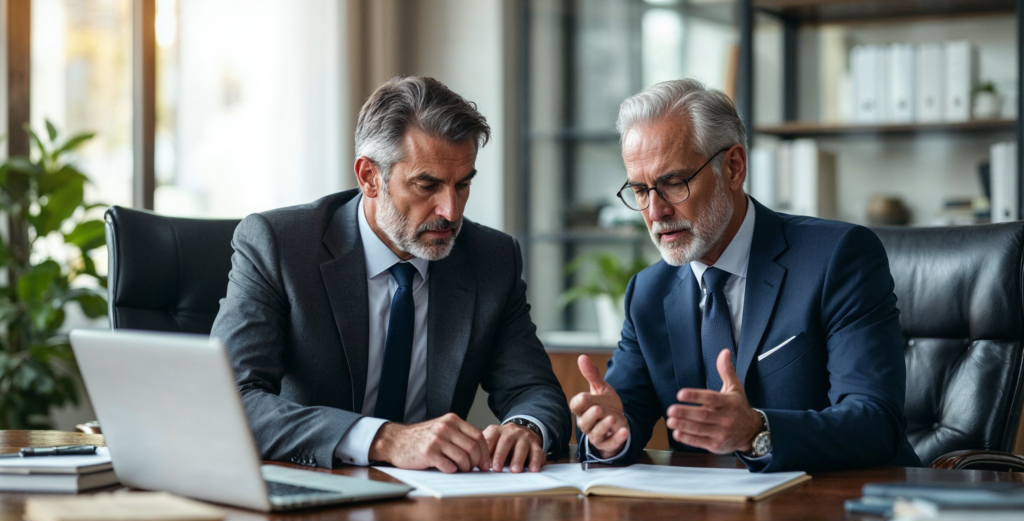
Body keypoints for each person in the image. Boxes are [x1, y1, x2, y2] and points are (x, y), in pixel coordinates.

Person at [211, 76, 571, 474]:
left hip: (439, 504)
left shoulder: (491, 259)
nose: (451, 211)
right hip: (312, 488)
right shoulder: (279, 246)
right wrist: (384, 439)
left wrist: (524, 428)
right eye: (427, 185)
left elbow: (534, 391)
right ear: (369, 177)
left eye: (462, 184)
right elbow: (228, 400)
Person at [570, 79, 921, 472]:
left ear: (733, 167)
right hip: (706, 520)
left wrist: (756, 431)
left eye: (673, 183)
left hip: (834, 509)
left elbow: (876, 423)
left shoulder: (838, 257)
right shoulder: (649, 292)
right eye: (640, 190)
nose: (655, 212)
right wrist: (606, 433)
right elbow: (623, 416)